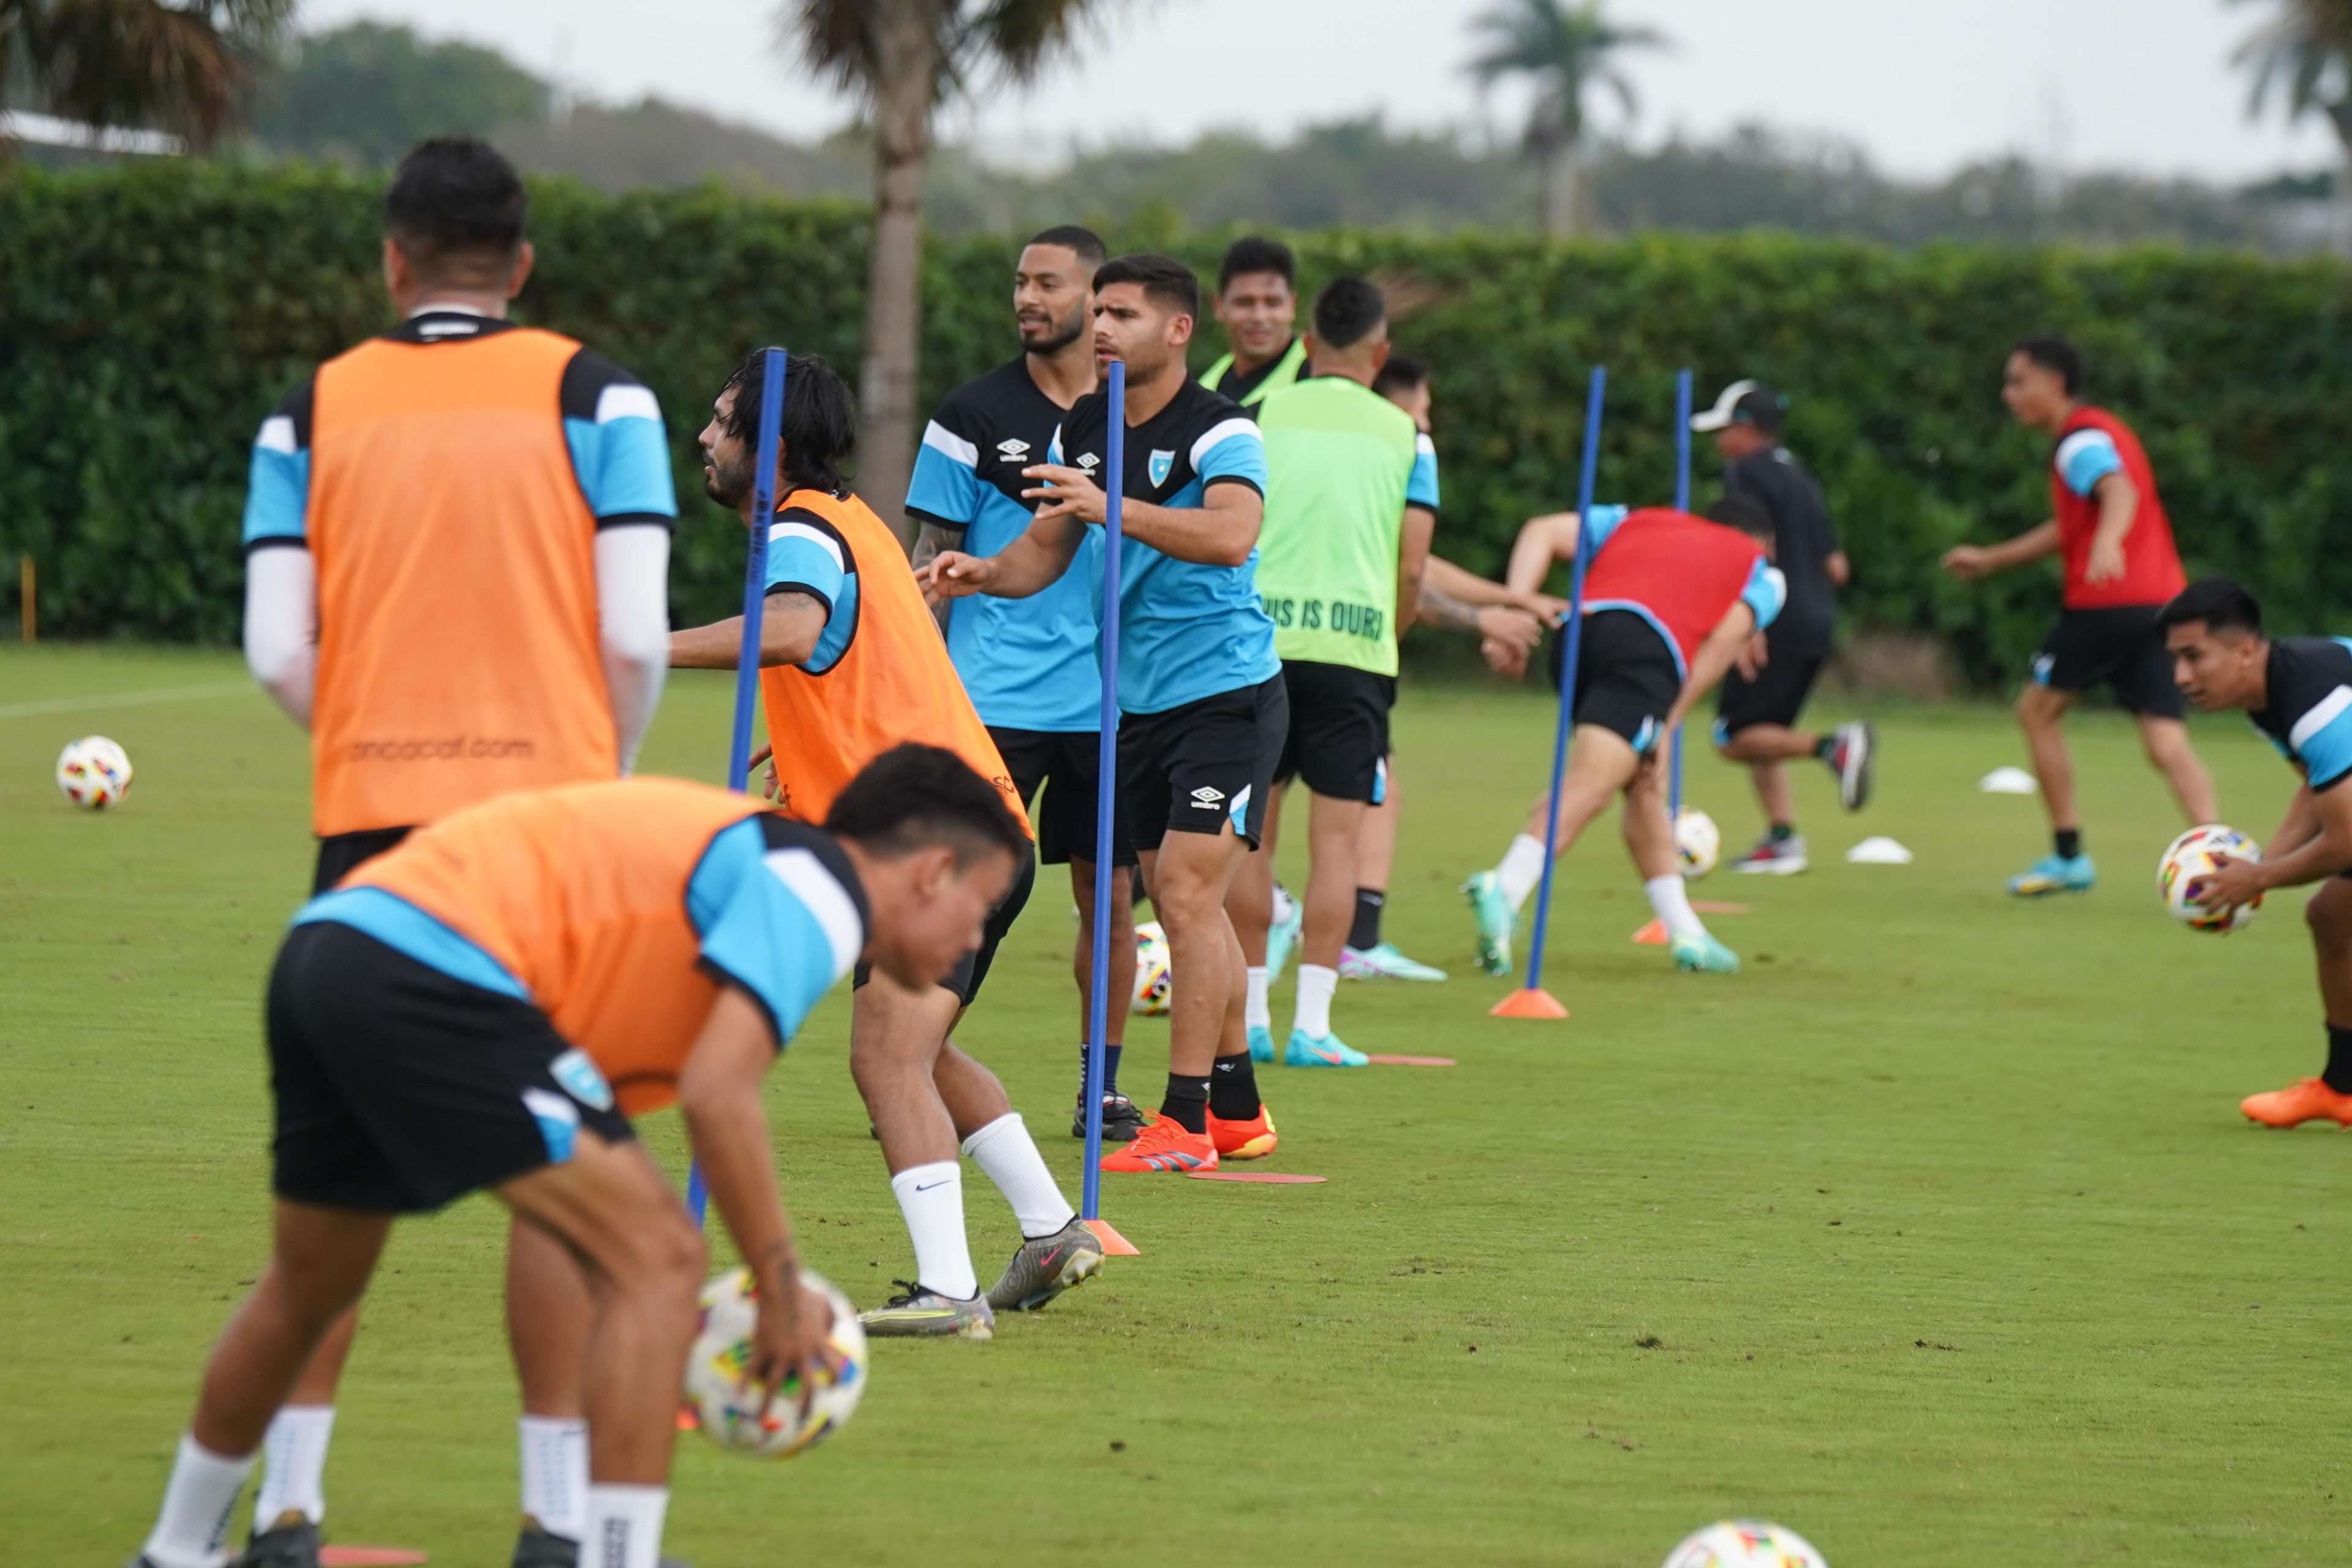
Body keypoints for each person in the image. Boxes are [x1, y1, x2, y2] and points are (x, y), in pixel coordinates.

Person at [124, 750, 1025, 1568]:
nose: (976, 939)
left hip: (330, 949)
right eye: (979, 908)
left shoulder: (727, 890)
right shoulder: (819, 887)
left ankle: (176, 1549)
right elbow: (720, 1091)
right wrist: (778, 1282)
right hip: (433, 974)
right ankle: (614, 1557)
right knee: (662, 1257)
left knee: (308, 1289)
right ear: (930, 870)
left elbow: (602, 1139)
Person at [235, 137, 674, 1568]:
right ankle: (553, 1515)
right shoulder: (602, 394)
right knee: (560, 1161)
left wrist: (363, 735)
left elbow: (271, 650)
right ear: (523, 265)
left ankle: (290, 1504)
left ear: (393, 258)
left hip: (367, 832)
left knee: (328, 1193)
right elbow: (628, 633)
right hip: (548, 834)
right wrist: (595, 768)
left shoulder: (310, 409)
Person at [669, 351, 1101, 1339]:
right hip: (967, 833)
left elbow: (791, 629)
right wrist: (807, 741)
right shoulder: (854, 525)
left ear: (770, 446)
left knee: (884, 1059)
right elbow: (861, 663)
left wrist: (641, 643)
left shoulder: (805, 532)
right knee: (926, 1049)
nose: (703, 436)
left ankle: (948, 1291)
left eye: (721, 420)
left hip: (937, 849)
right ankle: (1051, 1229)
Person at [921, 252, 1283, 1176]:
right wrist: (985, 572)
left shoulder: (1223, 431)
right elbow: (1047, 546)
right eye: (1102, 311)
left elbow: (1232, 535)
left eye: (1123, 312)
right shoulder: (1088, 423)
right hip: (1139, 704)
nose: (1103, 326)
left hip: (1228, 694)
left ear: (1177, 330)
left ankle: (1186, 1124)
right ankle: (1239, 1107)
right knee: (1177, 895)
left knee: (1187, 897)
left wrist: (1112, 506)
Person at [902, 224, 1144, 1143]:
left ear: (1099, 299)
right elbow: (927, 566)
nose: (1027, 299)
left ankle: (1102, 1086)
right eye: (1019, 282)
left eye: (1048, 283)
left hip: (1112, 702)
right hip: (993, 699)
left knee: (1111, 897)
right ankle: (916, 1048)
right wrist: (913, 688)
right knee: (979, 892)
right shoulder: (970, 414)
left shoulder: (1140, 416)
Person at [1227, 277, 1434, 1066]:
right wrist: (1389, 631)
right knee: (1338, 847)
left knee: (1251, 840)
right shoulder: (1408, 434)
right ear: (1380, 355)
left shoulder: (1258, 416)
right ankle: (1311, 1024)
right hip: (1355, 658)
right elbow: (1412, 568)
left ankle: (1248, 1016)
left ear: (1307, 347)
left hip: (1259, 652)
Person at [1463, 499, 1786, 978]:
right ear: (1762, 542)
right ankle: (1505, 889)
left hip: (1580, 634)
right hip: (1646, 649)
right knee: (1592, 787)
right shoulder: (1764, 573)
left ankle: (1687, 933)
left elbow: (1541, 530)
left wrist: (1516, 610)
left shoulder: (1638, 519)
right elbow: (1721, 645)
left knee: (1639, 785)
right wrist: (1670, 721)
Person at [1942, 336, 2215, 896]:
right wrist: (1993, 558)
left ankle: (2069, 856)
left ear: (2055, 384)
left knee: (2036, 712)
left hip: (2106, 608)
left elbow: (2116, 493)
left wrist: (2109, 543)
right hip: (2163, 605)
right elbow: (2072, 527)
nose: (2009, 394)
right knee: (2164, 739)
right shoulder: (2104, 430)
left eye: (2019, 382)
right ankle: (2218, 853)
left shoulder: (2078, 439)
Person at [1336, 355, 1551, 982]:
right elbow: (1410, 578)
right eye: (1424, 410)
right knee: (1358, 801)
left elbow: (1421, 568)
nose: (1427, 423)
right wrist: (1489, 619)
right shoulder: (1392, 453)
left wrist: (1511, 600)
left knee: (1365, 791)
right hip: (1341, 659)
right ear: (1400, 406)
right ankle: (1351, 943)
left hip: (1317, 656)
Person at [2157, 581, 2352, 1129]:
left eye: (2193, 657)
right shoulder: (2266, 698)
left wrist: (2259, 876)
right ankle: (2342, 1089)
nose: (2181, 678)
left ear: (2245, 649)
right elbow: (2322, 789)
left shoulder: (2315, 701)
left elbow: (2345, 840)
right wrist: (2258, 872)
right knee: (2331, 915)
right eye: (2175, 660)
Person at [1690, 380, 1874, 872]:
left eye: (1723, 430)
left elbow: (1746, 549)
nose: (1718, 442)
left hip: (1774, 616)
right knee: (1764, 731)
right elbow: (1837, 567)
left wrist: (1749, 624)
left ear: (1747, 430)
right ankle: (1782, 839)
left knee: (1733, 736)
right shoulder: (1800, 478)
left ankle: (1833, 747)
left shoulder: (1744, 473)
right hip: (1816, 619)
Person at [1199, 235, 1307, 413]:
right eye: (1244, 303)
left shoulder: (1315, 377)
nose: (1259, 317)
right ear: (1218, 306)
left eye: (1272, 303)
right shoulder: (1205, 389)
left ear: (1292, 306)